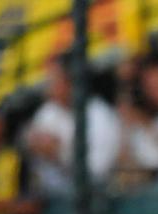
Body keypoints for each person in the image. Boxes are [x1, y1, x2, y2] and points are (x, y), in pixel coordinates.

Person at [24, 56, 121, 195]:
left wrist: (58, 153)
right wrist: (32, 143)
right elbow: (31, 148)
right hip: (48, 198)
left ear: (72, 82)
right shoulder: (49, 111)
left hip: (91, 199)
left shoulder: (99, 115)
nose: (49, 87)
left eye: (54, 81)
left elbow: (97, 172)